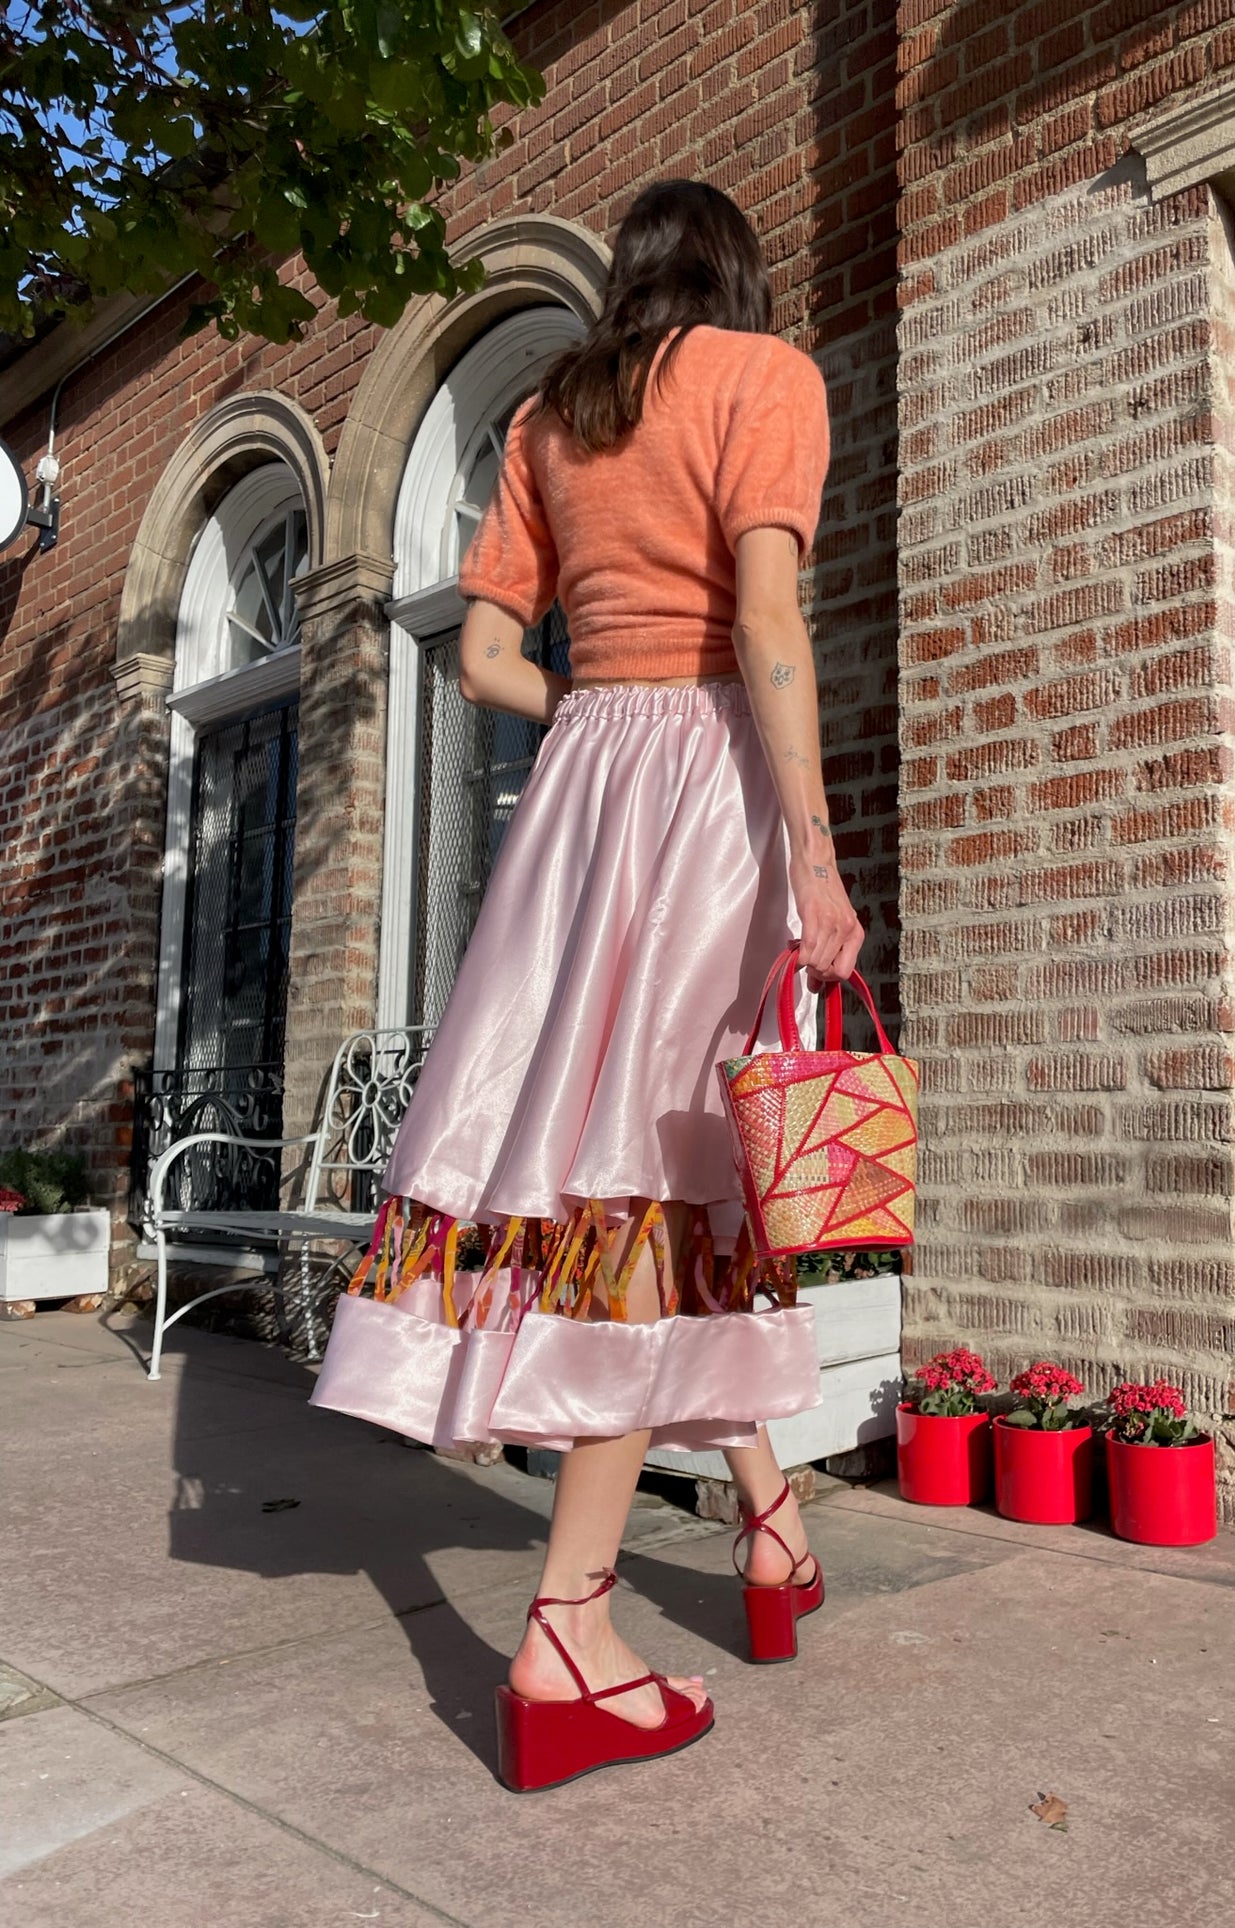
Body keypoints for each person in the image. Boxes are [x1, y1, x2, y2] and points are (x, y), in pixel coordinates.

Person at [312, 177, 864, 1790]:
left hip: (579, 800)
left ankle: (767, 1523)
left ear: (622, 281)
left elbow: (484, 656)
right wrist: (814, 855)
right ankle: (567, 1629)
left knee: (667, 1173)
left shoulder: (551, 414)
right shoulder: (767, 380)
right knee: (657, 1175)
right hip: (707, 786)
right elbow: (766, 619)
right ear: (736, 274)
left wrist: (582, 710)